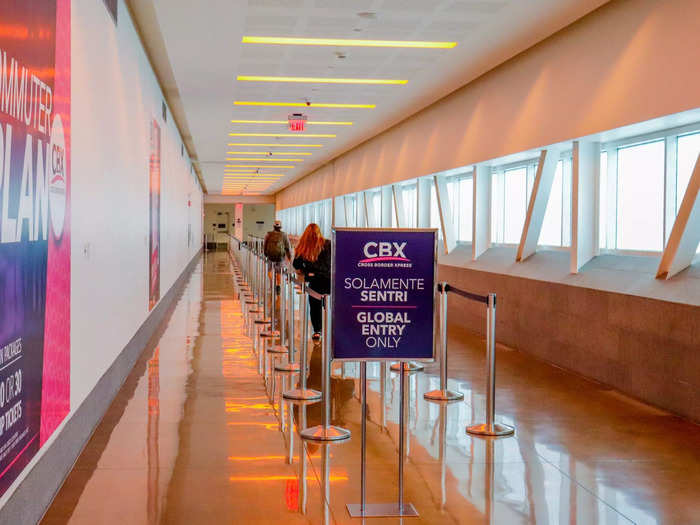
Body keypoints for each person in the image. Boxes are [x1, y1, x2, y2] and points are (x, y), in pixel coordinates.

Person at [293, 223, 330, 342]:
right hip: (329, 280)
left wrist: (306, 270)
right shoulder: (328, 243)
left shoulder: (304, 246)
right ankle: (331, 329)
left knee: (315, 307)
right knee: (329, 306)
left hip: (314, 281)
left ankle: (317, 331)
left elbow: (296, 264)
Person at [263, 220, 292, 292]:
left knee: (270, 270)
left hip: (270, 256)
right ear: (280, 227)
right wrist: (289, 257)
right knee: (279, 272)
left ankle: (272, 283)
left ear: (273, 226)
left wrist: (265, 253)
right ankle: (278, 285)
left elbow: (265, 245)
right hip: (280, 257)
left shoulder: (268, 234)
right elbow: (288, 247)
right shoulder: (284, 235)